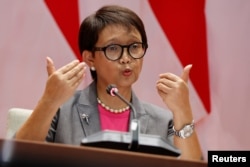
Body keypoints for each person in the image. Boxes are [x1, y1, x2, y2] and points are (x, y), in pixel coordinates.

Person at [15, 5, 202, 160]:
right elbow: (17, 157)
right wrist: (49, 101)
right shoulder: (62, 110)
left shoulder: (163, 121)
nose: (126, 58)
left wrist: (183, 112)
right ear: (90, 59)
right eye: (113, 48)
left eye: (135, 47)